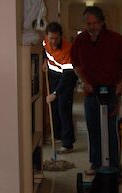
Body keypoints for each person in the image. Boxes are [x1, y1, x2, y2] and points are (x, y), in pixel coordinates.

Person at [71, 6, 122, 175]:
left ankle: (115, 167)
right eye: (88, 23)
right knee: (93, 129)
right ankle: (96, 164)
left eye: (95, 23)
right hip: (90, 91)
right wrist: (84, 81)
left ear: (102, 23)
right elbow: (75, 64)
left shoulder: (114, 39)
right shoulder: (80, 40)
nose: (92, 27)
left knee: (110, 130)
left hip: (111, 91)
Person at [43, 22, 78, 154]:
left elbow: (68, 75)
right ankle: (57, 136)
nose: (53, 41)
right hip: (53, 75)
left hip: (67, 78)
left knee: (63, 108)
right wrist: (45, 61)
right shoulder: (45, 42)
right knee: (54, 107)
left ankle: (68, 143)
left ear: (61, 37)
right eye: (51, 38)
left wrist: (56, 93)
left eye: (56, 38)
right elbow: (45, 50)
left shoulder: (68, 49)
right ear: (47, 36)